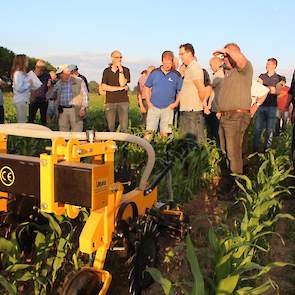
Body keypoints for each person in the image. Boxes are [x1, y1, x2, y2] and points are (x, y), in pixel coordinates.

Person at [214, 43, 253, 196]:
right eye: (224, 56)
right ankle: (233, 181)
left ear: (235, 54)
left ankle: (237, 188)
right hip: (226, 117)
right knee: (227, 151)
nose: (224, 59)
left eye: (227, 56)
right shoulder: (229, 73)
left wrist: (227, 51)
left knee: (233, 152)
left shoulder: (245, 68)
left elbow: (241, 60)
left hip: (236, 117)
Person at [144, 51, 183, 137]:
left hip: (168, 108)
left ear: (172, 62)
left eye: (169, 63)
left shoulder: (176, 75)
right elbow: (146, 87)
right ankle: (146, 150)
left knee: (165, 135)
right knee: (149, 133)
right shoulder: (154, 73)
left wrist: (176, 103)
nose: (167, 65)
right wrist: (148, 102)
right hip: (153, 107)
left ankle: (162, 149)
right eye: (165, 63)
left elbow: (180, 91)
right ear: (162, 61)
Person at [178, 43, 211, 144]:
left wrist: (203, 105)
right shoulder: (189, 68)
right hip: (188, 110)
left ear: (189, 53)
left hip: (192, 111)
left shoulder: (194, 68)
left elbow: (201, 89)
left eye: (182, 54)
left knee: (194, 143)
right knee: (188, 142)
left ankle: (199, 159)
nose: (180, 56)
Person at [47, 64, 88, 132]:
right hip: (62, 111)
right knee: (63, 132)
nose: (59, 76)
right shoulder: (59, 83)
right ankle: (65, 143)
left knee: (77, 131)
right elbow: (51, 96)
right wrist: (50, 87)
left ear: (67, 72)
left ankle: (74, 143)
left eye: (61, 73)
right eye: (59, 74)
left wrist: (83, 108)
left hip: (76, 110)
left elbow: (85, 95)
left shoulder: (79, 81)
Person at [253, 58, 282, 151]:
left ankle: (267, 150)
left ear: (274, 66)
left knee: (270, 131)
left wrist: (265, 88)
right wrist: (270, 89)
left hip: (272, 107)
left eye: (269, 64)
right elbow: (258, 88)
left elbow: (277, 91)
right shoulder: (262, 76)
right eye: (266, 64)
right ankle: (255, 150)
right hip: (261, 106)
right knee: (257, 129)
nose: (266, 66)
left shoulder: (279, 78)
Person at [101, 50, 130, 132]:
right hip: (110, 101)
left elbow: (122, 83)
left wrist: (120, 69)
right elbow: (104, 86)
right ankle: (111, 143)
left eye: (121, 57)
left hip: (123, 101)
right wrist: (119, 89)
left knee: (124, 126)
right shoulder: (106, 71)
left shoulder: (126, 70)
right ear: (112, 58)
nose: (119, 59)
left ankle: (124, 143)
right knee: (110, 126)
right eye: (117, 57)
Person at [204, 57, 225, 142]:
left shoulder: (218, 75)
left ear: (216, 64)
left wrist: (206, 104)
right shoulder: (221, 74)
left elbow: (210, 89)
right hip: (215, 107)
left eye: (211, 65)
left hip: (216, 108)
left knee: (214, 131)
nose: (211, 67)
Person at [11, 54, 33, 123]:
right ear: (22, 61)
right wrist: (29, 83)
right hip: (20, 100)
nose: (27, 62)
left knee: (23, 120)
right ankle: (19, 133)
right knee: (22, 121)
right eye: (26, 60)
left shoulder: (21, 73)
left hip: (23, 99)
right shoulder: (18, 73)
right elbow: (19, 88)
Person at [28, 59, 51, 126]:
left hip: (43, 100)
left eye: (41, 67)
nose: (40, 68)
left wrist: (48, 96)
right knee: (31, 118)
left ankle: (43, 135)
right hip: (33, 100)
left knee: (43, 119)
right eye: (38, 67)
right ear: (35, 66)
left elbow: (49, 87)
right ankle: (30, 134)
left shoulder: (47, 75)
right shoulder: (30, 74)